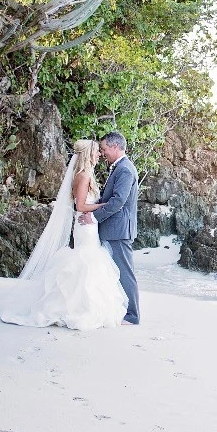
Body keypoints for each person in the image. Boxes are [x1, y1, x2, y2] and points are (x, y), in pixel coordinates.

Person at [1, 139, 128, 330]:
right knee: (85, 262)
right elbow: (81, 206)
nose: (99, 154)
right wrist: (105, 206)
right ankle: (76, 308)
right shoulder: (83, 175)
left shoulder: (87, 174)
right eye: (96, 151)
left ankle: (85, 305)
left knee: (89, 264)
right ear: (87, 154)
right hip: (85, 226)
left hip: (89, 225)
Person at [79, 131, 140, 325]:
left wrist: (94, 217)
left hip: (119, 230)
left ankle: (132, 315)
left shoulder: (125, 170)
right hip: (114, 228)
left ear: (115, 147)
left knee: (124, 272)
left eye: (104, 148)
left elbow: (118, 201)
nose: (103, 152)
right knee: (113, 271)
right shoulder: (118, 168)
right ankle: (119, 310)